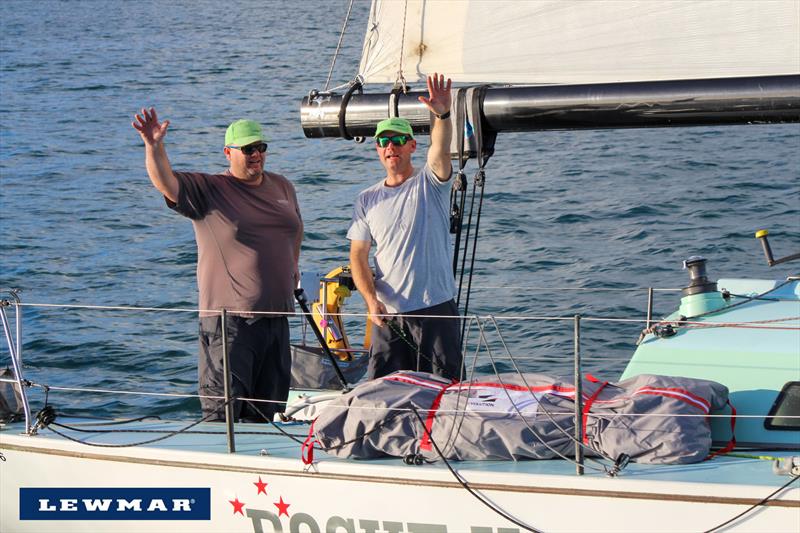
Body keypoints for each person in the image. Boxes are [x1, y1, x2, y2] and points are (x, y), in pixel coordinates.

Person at [132, 108, 303, 422]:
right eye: (248, 149)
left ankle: (261, 470)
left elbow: (295, 226)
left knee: (269, 413)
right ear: (228, 153)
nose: (256, 155)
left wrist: (293, 263)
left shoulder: (282, 186)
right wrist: (153, 146)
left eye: (261, 148)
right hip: (230, 323)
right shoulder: (209, 190)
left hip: (277, 317)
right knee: (222, 414)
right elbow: (166, 183)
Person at [347, 73, 463, 381]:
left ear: (411, 146)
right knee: (385, 394)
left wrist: (442, 114)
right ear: (377, 150)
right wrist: (371, 302)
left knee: (444, 392)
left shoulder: (430, 182)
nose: (390, 147)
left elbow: (440, 148)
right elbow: (358, 256)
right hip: (389, 315)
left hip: (435, 309)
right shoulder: (366, 199)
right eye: (383, 142)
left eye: (398, 141)